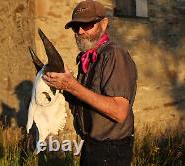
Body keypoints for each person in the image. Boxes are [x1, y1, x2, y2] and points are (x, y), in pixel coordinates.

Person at [42, 0, 137, 165]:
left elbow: (119, 111)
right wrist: (62, 85)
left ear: (104, 24)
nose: (80, 31)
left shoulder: (114, 55)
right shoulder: (87, 58)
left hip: (111, 152)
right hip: (89, 146)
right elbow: (85, 100)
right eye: (75, 26)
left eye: (87, 25)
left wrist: (73, 86)